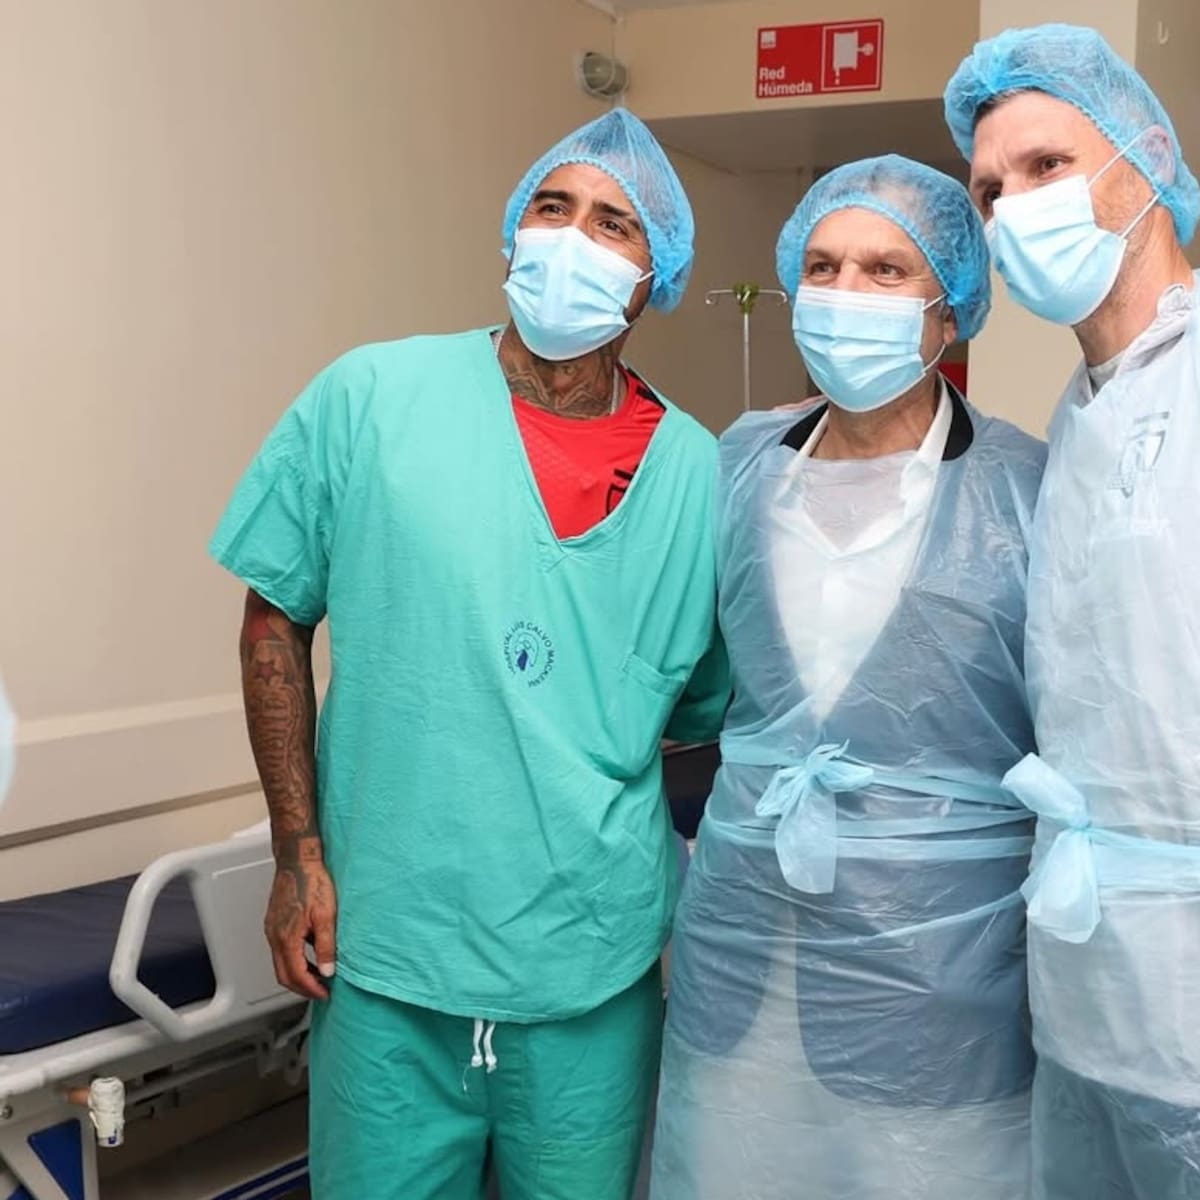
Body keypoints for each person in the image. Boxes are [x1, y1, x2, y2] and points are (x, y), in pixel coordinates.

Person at [209, 108, 728, 1200]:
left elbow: (700, 704)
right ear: (510, 237)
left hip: (589, 964)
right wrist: (297, 851)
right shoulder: (371, 401)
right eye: (554, 208)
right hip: (390, 951)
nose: (574, 241)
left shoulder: (698, 475)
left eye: (616, 225)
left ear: (656, 277)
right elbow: (274, 618)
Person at [649, 155, 1045, 1200]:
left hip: (940, 973)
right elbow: (678, 669)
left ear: (949, 310)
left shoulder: (1023, 487)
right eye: (822, 268)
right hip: (742, 946)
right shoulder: (737, 463)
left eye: (885, 271)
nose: (845, 295)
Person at [945, 24, 1200, 1200]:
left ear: (1145, 161)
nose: (1012, 209)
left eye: (1046, 167)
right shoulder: (1081, 415)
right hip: (1091, 986)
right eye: (991, 190)